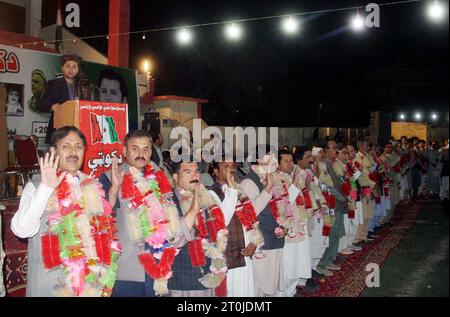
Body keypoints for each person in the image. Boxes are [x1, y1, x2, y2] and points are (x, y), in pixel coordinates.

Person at [11, 126, 120, 297]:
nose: (73, 152)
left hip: (89, 285)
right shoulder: (37, 185)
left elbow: (102, 228)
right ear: (53, 151)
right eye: (66, 146)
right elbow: (21, 230)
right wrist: (46, 189)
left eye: (78, 147)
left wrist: (113, 192)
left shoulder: (91, 185)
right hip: (51, 286)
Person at [99, 131, 194, 297]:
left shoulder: (161, 180)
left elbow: (175, 218)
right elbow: (101, 219)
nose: (140, 154)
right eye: (135, 149)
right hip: (128, 270)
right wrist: (114, 189)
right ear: (124, 151)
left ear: (151, 152)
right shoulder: (110, 178)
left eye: (145, 149)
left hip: (160, 269)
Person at [168, 158, 236, 297]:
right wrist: (193, 209)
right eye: (188, 172)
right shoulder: (168, 201)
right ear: (175, 177)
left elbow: (221, 223)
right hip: (184, 281)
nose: (195, 176)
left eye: (197, 171)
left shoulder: (205, 196)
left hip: (210, 275)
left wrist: (232, 190)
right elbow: (173, 240)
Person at [209, 159, 262, 297]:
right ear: (215, 171)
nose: (231, 169)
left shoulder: (239, 190)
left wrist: (254, 242)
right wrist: (231, 191)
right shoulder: (211, 193)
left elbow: (251, 219)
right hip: (228, 256)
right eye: (225, 166)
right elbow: (221, 221)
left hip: (245, 252)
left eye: (232, 166)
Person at [240, 145, 286, 297]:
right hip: (262, 242)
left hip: (275, 237)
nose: (275, 163)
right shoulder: (248, 183)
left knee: (272, 286)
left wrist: (284, 225)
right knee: (261, 287)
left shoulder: (271, 177)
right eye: (270, 159)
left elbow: (281, 205)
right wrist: (267, 188)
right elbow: (251, 213)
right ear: (258, 161)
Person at [39, 54, 91, 145]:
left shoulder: (83, 86)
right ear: (62, 68)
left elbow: (88, 105)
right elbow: (41, 104)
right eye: (68, 66)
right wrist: (52, 106)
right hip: (59, 130)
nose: (71, 69)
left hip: (78, 129)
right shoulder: (53, 84)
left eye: (74, 67)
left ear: (78, 70)